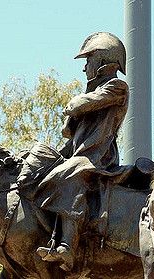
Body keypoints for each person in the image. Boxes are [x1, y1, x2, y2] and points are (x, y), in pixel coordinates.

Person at [35, 32, 128, 271]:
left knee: (70, 173)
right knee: (41, 159)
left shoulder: (117, 87)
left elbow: (77, 106)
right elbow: (68, 131)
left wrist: (75, 106)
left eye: (88, 60)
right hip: (79, 153)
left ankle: (67, 246)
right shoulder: (95, 92)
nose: (84, 67)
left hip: (99, 157)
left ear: (101, 61)